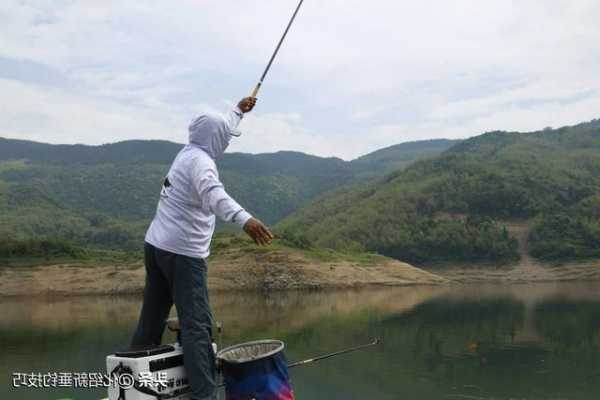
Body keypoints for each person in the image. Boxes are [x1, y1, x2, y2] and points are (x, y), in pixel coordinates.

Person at [130, 96, 274, 400]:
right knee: (198, 326)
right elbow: (213, 194)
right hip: (183, 256)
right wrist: (245, 220)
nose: (226, 142)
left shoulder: (188, 152)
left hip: (156, 247)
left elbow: (218, 130)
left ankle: (132, 384)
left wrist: (238, 112)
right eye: (224, 137)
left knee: (152, 317)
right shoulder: (202, 164)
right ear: (216, 139)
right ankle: (204, 395)